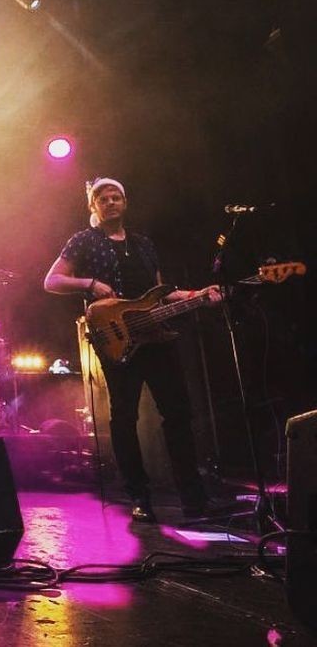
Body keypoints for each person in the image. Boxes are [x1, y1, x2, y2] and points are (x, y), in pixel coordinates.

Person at [43, 177, 223, 523]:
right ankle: (139, 495)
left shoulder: (143, 245)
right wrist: (90, 284)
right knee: (124, 417)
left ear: (125, 203)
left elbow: (161, 293)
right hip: (117, 338)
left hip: (155, 337)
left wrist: (198, 295)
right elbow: (52, 280)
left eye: (116, 197)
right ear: (93, 206)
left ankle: (193, 497)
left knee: (178, 414)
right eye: (103, 198)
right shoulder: (83, 241)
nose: (110, 202)